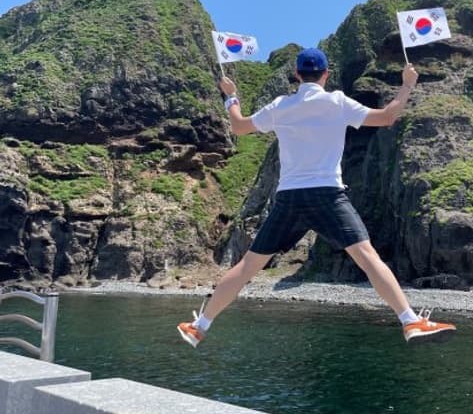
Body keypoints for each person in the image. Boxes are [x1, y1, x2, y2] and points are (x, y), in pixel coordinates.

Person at [177, 47, 456, 348]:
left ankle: (200, 326)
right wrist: (407, 85)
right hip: (328, 195)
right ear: (326, 74)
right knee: (367, 258)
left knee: (247, 267)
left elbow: (239, 126)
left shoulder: (281, 105)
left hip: (289, 198)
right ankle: (410, 321)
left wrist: (231, 96)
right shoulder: (337, 102)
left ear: (297, 75)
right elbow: (387, 117)